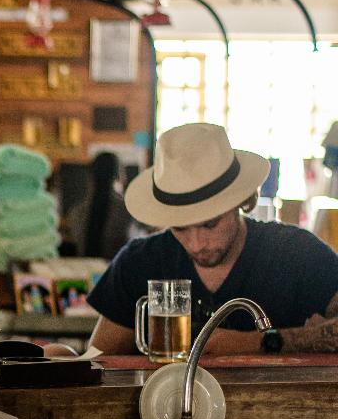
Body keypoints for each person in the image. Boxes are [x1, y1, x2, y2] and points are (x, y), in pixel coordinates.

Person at [88, 121, 338, 355]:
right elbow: (98, 361)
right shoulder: (139, 262)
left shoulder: (296, 253)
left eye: (210, 224)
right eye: (180, 228)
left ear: (241, 201)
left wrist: (253, 342)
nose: (197, 244)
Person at [63, 151, 134, 260]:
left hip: (85, 271)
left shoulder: (76, 212)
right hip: (120, 272)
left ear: (91, 178)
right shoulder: (129, 211)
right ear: (120, 177)